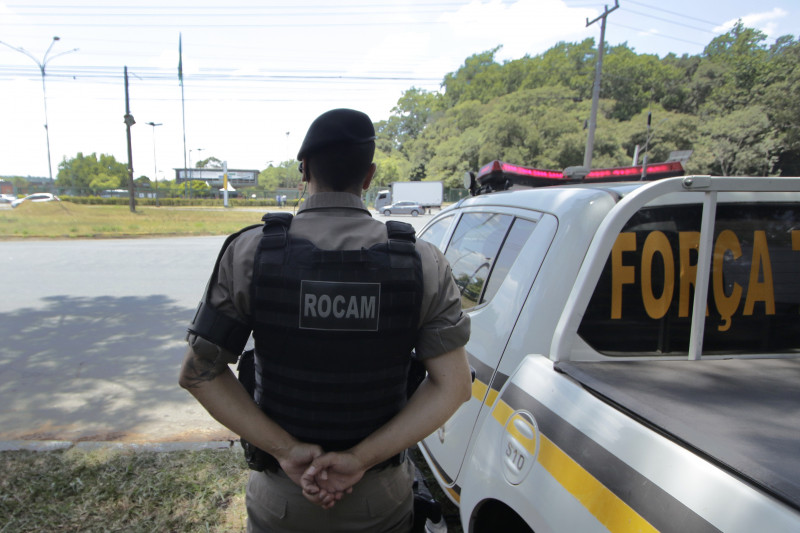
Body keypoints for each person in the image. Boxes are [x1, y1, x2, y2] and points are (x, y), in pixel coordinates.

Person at [179, 108, 471, 532]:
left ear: (304, 171)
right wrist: (358, 460)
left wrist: (287, 451)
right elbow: (454, 386)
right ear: (369, 177)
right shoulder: (423, 264)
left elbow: (199, 373)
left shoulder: (249, 253)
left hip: (282, 499)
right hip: (379, 499)